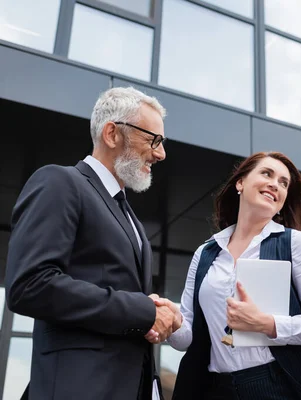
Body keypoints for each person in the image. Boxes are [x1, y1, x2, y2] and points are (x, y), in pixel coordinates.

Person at [5, 87, 181, 400]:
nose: (160, 153)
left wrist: (155, 311)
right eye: (153, 139)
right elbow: (30, 284)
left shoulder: (131, 218)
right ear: (112, 133)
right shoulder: (60, 182)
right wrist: (142, 310)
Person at [166, 152, 301, 399]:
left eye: (283, 182)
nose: (274, 184)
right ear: (240, 183)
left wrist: (266, 324)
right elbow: (185, 339)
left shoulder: (294, 244)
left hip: (277, 386)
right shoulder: (205, 252)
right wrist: (172, 321)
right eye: (267, 173)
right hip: (214, 389)